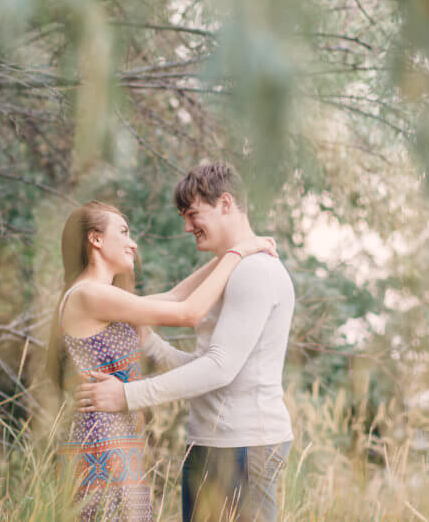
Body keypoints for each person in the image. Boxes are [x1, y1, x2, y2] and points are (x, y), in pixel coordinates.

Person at [76, 163, 295, 522]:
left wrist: (128, 396)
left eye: (193, 214)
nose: (186, 227)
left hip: (242, 444)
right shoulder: (232, 267)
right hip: (216, 442)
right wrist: (152, 346)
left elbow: (219, 368)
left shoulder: (254, 272)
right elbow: (206, 359)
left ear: (226, 203)